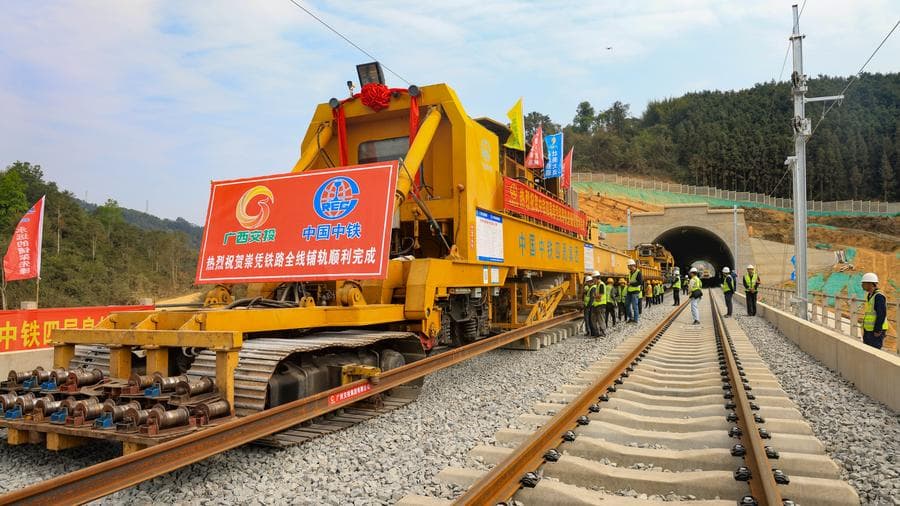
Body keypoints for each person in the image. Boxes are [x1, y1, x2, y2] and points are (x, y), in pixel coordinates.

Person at [861, 272, 888, 349]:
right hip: (868, 330)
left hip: (876, 331)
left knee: (875, 350)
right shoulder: (869, 296)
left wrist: (878, 330)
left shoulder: (879, 296)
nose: (862, 285)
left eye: (864, 283)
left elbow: (881, 314)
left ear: (871, 284)